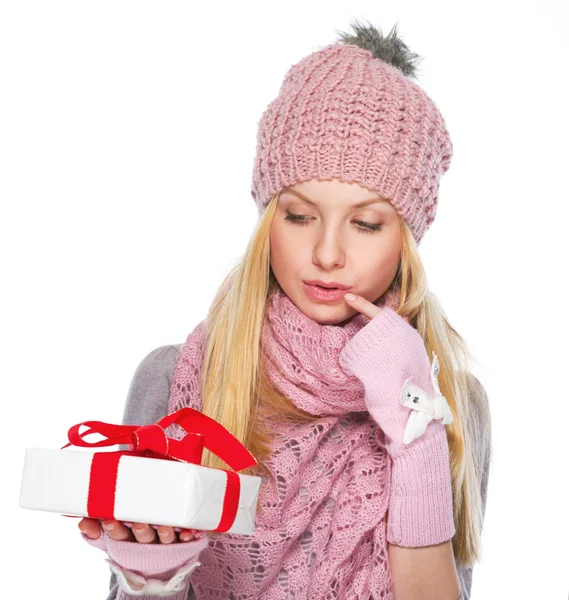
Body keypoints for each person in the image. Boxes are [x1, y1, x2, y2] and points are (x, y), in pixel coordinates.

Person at [78, 19, 492, 600]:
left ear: (407, 239)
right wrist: (149, 581)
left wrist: (414, 431)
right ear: (267, 221)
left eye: (367, 223)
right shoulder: (173, 380)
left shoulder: (451, 406)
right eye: (298, 216)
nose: (326, 254)